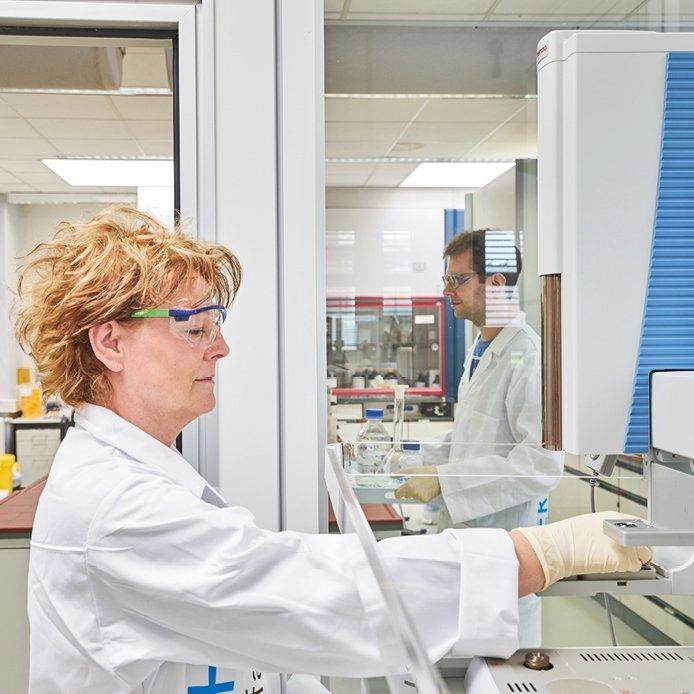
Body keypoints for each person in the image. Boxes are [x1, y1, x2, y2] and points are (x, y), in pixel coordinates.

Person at [15, 208, 650, 694]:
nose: (221, 348)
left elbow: (251, 620)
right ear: (111, 344)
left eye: (216, 326)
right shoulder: (115, 508)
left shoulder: (139, 473)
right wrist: (539, 554)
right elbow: (312, 594)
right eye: (195, 327)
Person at [395, 229, 564, 646]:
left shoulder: (529, 357)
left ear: (496, 282)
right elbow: (472, 437)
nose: (446, 290)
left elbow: (540, 464)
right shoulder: (482, 348)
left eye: (456, 279)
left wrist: (444, 479)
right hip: (465, 541)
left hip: (501, 549)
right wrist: (409, 457)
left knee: (497, 665)